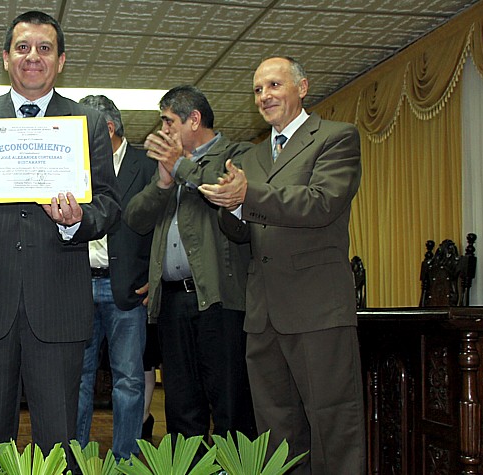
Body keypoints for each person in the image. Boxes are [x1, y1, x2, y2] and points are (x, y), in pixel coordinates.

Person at [0, 10, 120, 455]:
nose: (33, 56)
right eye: (22, 47)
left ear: (61, 61)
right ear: (5, 58)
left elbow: (109, 204)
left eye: (44, 48)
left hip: (57, 303)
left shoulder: (88, 123)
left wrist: (77, 222)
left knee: (58, 441)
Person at [199, 56, 365, 474]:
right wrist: (230, 209)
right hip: (263, 312)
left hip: (317, 309)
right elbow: (241, 233)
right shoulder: (252, 157)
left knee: (333, 423)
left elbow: (322, 203)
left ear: (302, 88)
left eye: (274, 85)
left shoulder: (335, 137)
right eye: (257, 90)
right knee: (275, 429)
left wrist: (246, 197)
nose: (264, 97)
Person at [124, 85, 256, 443]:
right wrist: (163, 183)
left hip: (220, 302)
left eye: (168, 122)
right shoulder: (168, 170)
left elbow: (224, 194)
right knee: (182, 408)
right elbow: (135, 219)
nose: (163, 130)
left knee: (230, 405)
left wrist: (180, 166)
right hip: (171, 303)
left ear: (193, 119)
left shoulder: (237, 154)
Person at [73, 95, 154, 461]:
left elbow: (165, 223)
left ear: (105, 129)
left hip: (128, 290)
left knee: (129, 382)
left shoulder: (148, 166)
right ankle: (72, 462)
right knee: (77, 382)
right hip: (76, 288)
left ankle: (125, 463)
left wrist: (158, 274)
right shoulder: (73, 165)